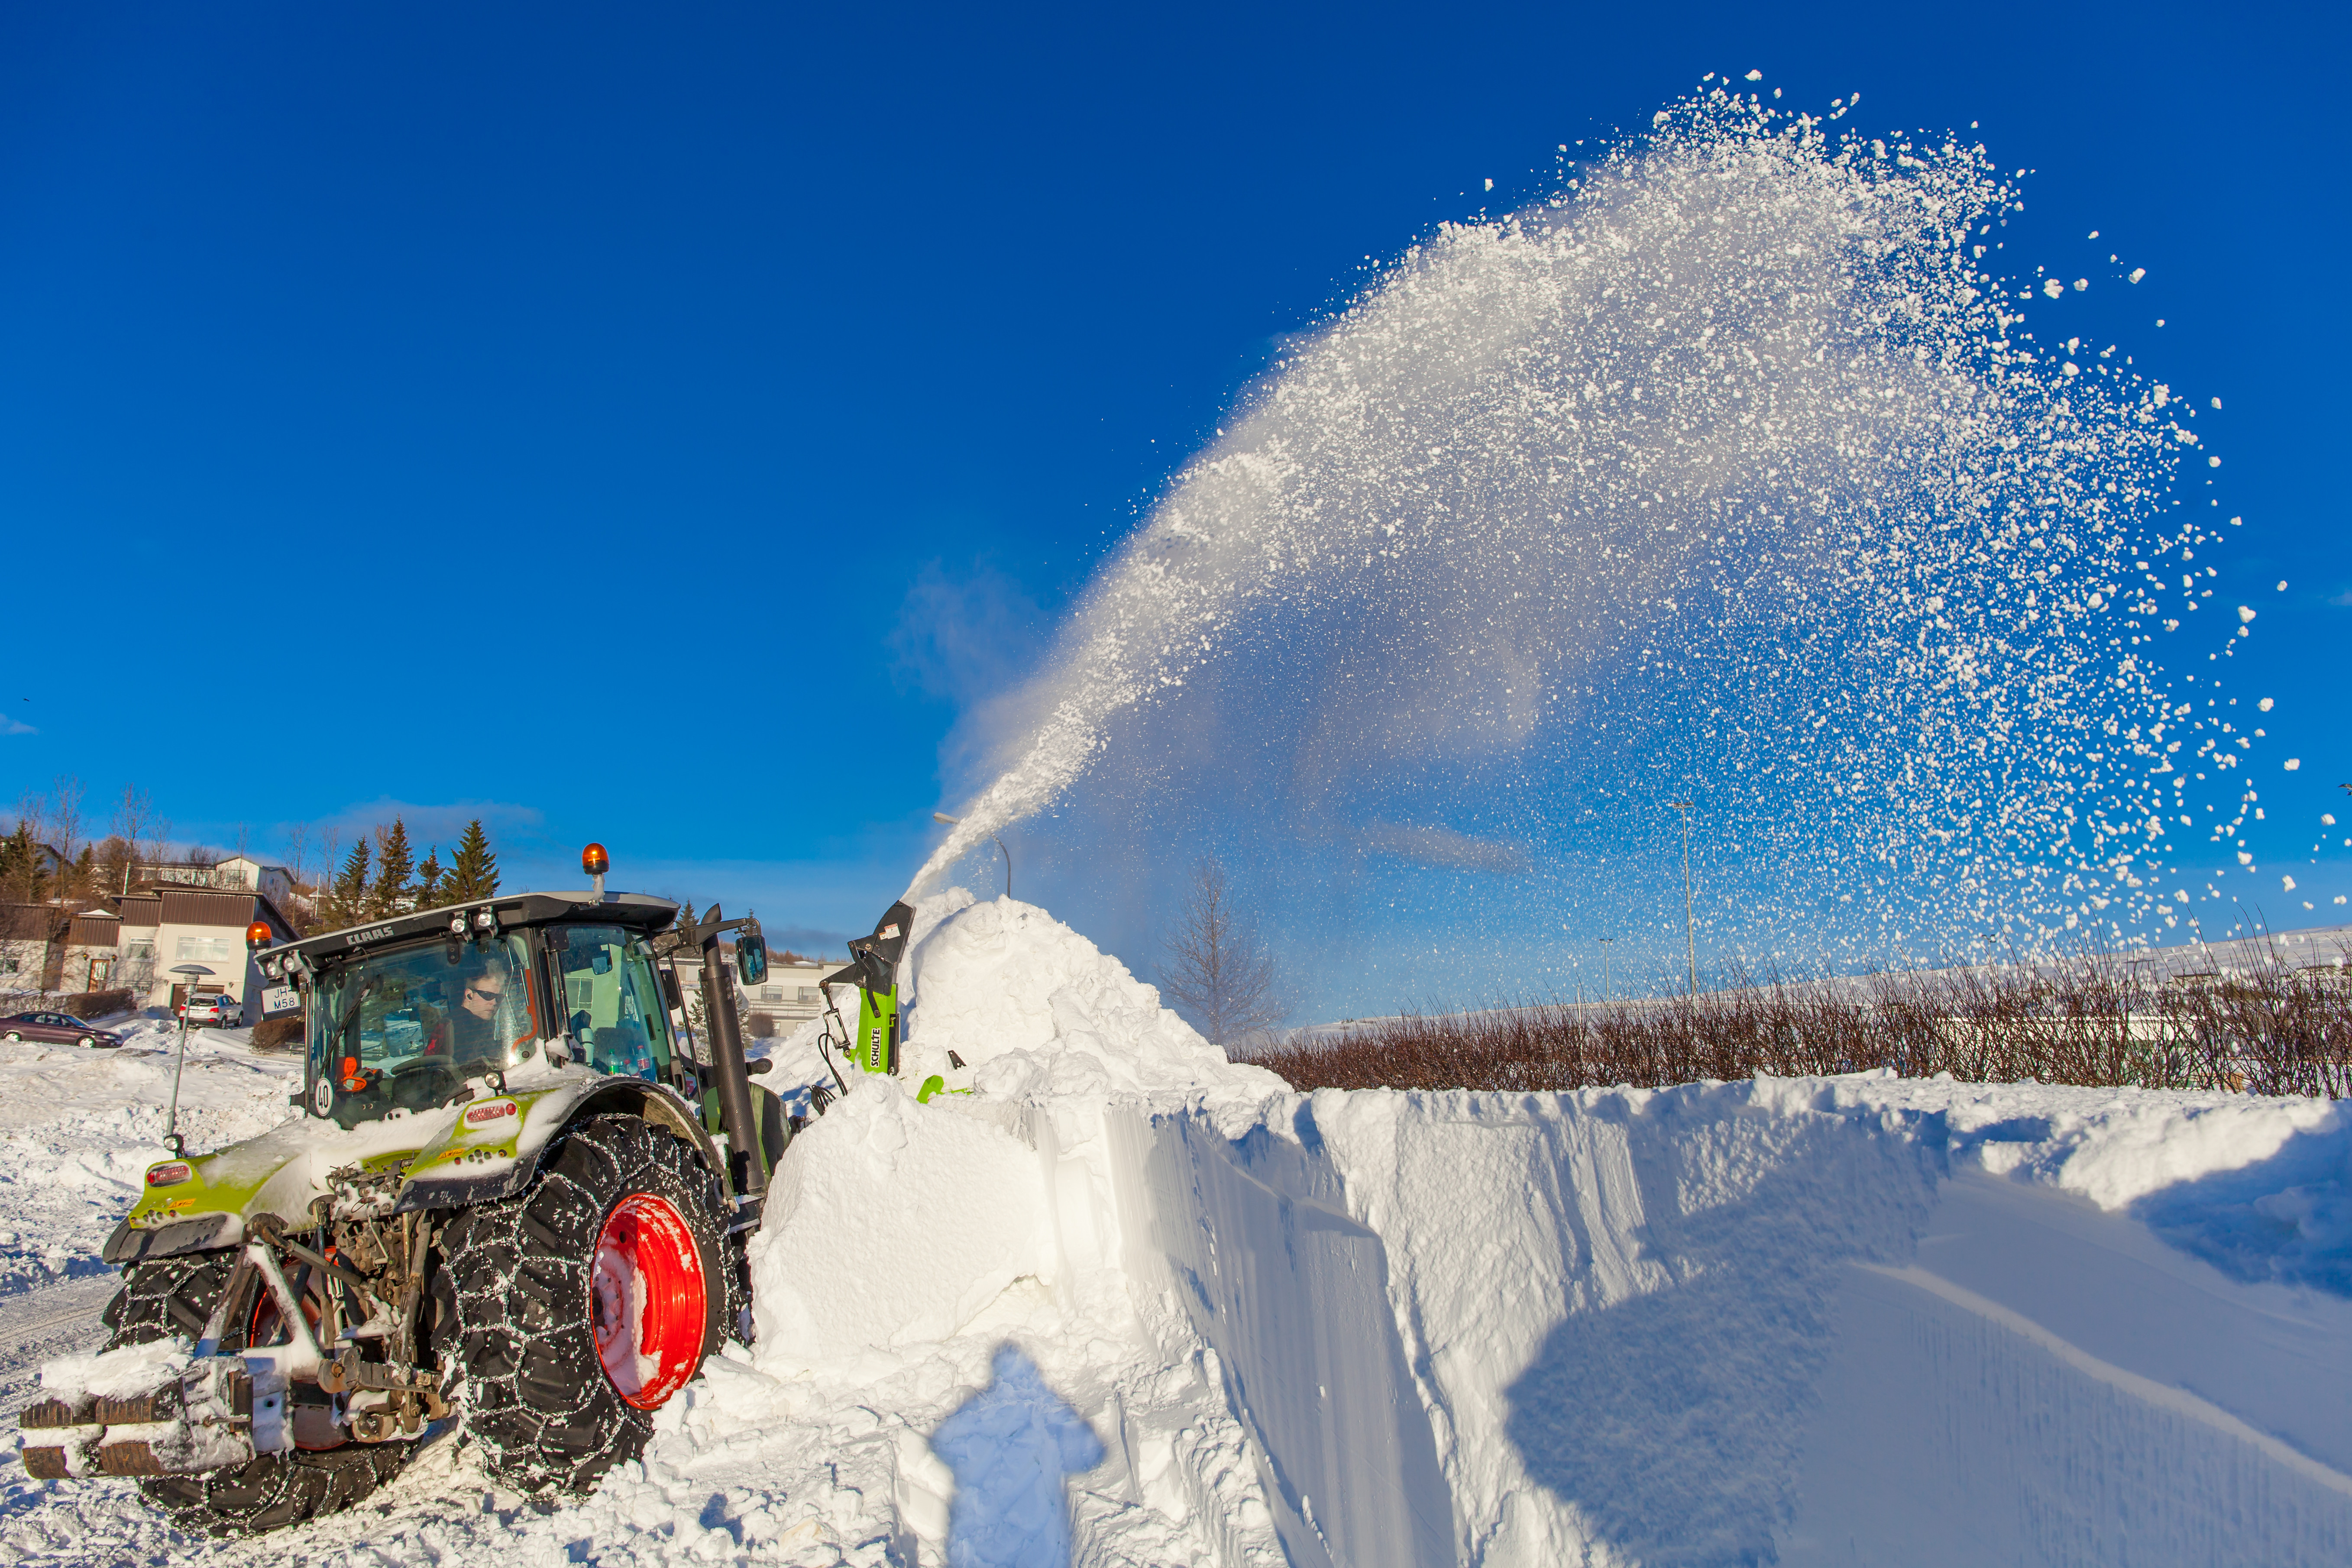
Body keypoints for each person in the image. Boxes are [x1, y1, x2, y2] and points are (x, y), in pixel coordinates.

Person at [429, 960, 511, 1068]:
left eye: (499, 998)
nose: (494, 1002)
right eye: (488, 996)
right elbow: (432, 1064)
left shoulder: (486, 1024)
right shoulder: (451, 1025)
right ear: (469, 995)